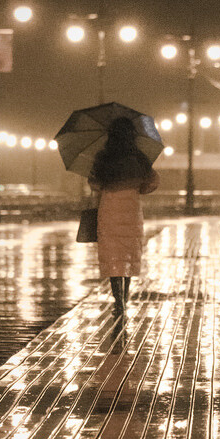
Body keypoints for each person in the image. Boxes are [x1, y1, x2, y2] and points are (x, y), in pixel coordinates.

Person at [88, 116, 159, 315]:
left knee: (113, 256)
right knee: (128, 255)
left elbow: (94, 183)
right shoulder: (139, 157)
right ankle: (125, 298)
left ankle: (117, 299)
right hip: (131, 209)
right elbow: (152, 183)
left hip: (109, 208)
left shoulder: (103, 157)